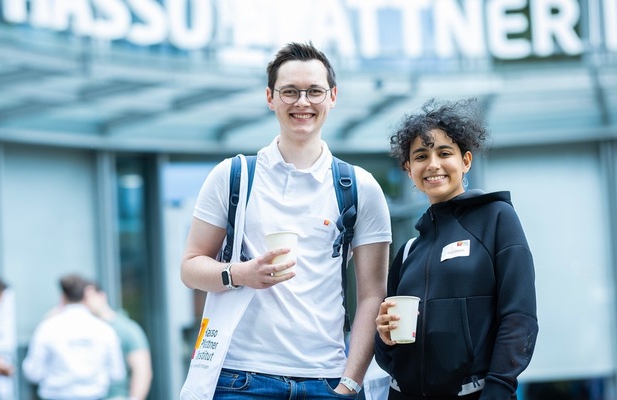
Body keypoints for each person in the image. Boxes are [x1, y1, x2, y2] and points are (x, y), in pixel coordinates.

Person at [180, 41, 392, 398]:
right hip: (239, 378)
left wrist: (350, 383)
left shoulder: (360, 187)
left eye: (314, 91)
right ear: (270, 97)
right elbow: (189, 268)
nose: (302, 102)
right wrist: (241, 274)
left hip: (326, 379)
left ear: (333, 96)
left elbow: (372, 295)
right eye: (290, 91)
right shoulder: (233, 176)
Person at [374, 98, 539, 400]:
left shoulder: (497, 219)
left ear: (466, 161)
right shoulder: (409, 250)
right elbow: (388, 358)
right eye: (421, 156)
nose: (433, 164)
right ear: (409, 169)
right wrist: (384, 337)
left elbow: (519, 316)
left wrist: (499, 389)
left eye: (444, 152)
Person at [22, 273, 126, 400]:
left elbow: (32, 373)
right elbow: (117, 374)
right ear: (85, 296)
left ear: (62, 297)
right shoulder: (104, 329)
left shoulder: (47, 328)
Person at [84, 282, 153, 400]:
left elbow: (142, 370)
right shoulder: (81, 330)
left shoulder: (126, 329)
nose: (84, 303)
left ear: (101, 296)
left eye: (87, 297)